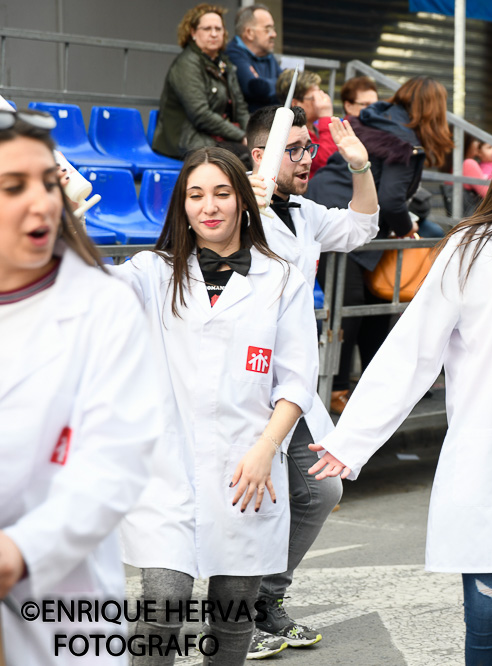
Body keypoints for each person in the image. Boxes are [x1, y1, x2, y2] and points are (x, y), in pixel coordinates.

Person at [309, 119, 492, 665]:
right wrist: (348, 441)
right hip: (489, 449)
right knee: (489, 614)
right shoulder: (469, 251)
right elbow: (412, 352)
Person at [113, 147, 318, 664]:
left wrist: (266, 448)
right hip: (169, 468)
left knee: (232, 619)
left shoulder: (282, 281)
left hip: (246, 472)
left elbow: (297, 381)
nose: (210, 206)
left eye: (223, 193)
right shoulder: (153, 272)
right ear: (181, 206)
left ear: (244, 201)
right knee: (162, 605)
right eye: (196, 194)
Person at [0, 109, 161, 665]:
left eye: (48, 182)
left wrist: (19, 551)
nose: (41, 201)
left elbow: (113, 464)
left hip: (63, 619)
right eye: (12, 187)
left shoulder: (103, 306)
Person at [241, 103, 379, 656]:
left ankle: (266, 601)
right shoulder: (231, 208)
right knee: (250, 503)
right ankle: (235, 615)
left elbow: (363, 225)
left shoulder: (301, 211)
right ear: (263, 154)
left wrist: (360, 167)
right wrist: (239, 212)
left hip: (292, 384)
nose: (307, 158)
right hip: (243, 382)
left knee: (321, 489)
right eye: (295, 148)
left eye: (309, 148)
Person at [308, 76, 453, 414]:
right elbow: (390, 201)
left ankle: (368, 386)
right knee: (350, 306)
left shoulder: (378, 117)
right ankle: (337, 388)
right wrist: (406, 230)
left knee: (369, 304)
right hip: (345, 220)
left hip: (330, 208)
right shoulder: (406, 141)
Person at [152, 4, 250, 161]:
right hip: (187, 139)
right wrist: (241, 136)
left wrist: (251, 135)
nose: (213, 34)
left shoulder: (225, 64)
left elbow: (241, 108)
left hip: (216, 137)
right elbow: (201, 115)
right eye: (207, 29)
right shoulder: (186, 64)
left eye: (218, 29)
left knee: (257, 153)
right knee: (244, 158)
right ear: (193, 33)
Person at [275, 70, 338, 176]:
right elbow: (325, 162)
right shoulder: (290, 133)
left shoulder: (318, 127)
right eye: (314, 98)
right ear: (295, 103)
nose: (322, 101)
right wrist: (326, 116)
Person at [225, 4, 281, 113]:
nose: (274, 34)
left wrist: (265, 84)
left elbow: (289, 84)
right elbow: (256, 89)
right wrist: (278, 84)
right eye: (268, 29)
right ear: (249, 33)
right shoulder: (232, 54)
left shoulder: (267, 55)